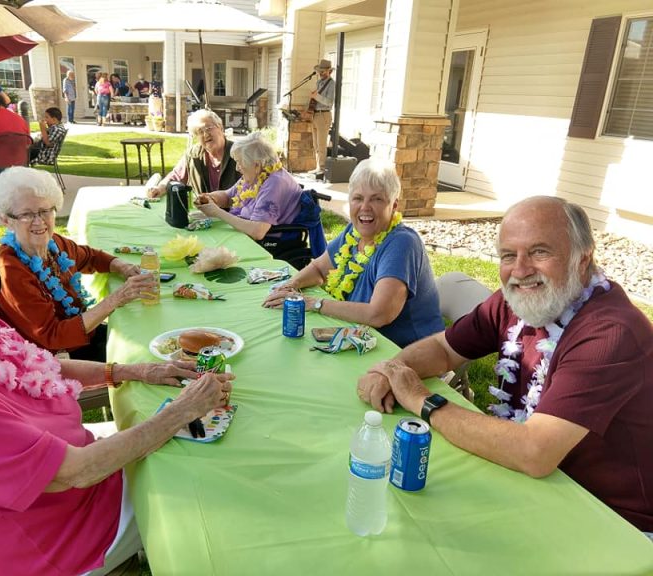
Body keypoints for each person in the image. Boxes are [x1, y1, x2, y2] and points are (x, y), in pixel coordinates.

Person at [0, 209, 234, 575]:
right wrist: (182, 410)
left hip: (72, 476)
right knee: (210, 478)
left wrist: (141, 370)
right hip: (66, 540)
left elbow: (41, 365)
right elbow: (77, 472)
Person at [356, 196, 653, 534]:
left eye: (540, 252)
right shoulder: (516, 301)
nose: (521, 270)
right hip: (540, 490)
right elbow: (443, 348)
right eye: (509, 255)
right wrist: (391, 370)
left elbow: (534, 451)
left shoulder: (611, 334)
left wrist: (420, 399)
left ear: (582, 259)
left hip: (616, 525)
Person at [263, 158, 444, 348]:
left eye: (377, 199)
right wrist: (291, 286)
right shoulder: (354, 231)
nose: (365, 207)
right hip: (359, 337)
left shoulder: (402, 243)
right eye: (358, 198)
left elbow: (379, 314)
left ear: (394, 205)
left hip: (403, 351)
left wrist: (313, 303)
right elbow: (318, 269)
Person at [0, 167, 154, 361]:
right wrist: (116, 299)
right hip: (50, 360)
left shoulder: (55, 244)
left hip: (81, 337)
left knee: (149, 337)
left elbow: (89, 257)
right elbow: (52, 336)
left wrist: (122, 266)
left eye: (45, 211)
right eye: (27, 214)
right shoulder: (10, 270)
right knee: (141, 358)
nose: (39, 221)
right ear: (6, 220)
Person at [194, 131, 303, 241]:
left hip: (270, 243)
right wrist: (210, 198)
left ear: (256, 164)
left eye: (239, 162)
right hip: (245, 236)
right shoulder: (256, 174)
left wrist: (217, 212)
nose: (237, 168)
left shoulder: (275, 183)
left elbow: (257, 232)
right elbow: (229, 197)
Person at [148, 109, 241, 198]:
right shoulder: (193, 155)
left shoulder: (239, 153)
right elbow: (176, 176)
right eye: (200, 132)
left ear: (220, 127)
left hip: (234, 211)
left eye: (208, 128)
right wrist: (160, 188)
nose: (205, 134)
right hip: (203, 211)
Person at [308, 59, 336, 179]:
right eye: (320, 71)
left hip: (324, 114)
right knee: (315, 144)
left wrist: (316, 96)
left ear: (329, 71)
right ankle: (318, 166)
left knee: (321, 143)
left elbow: (329, 102)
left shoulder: (331, 84)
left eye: (323, 71)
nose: (321, 73)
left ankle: (322, 168)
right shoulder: (319, 82)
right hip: (315, 114)